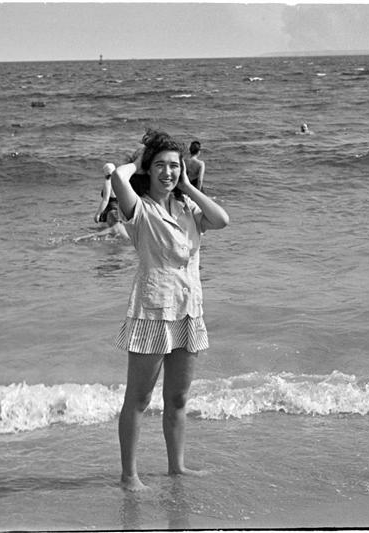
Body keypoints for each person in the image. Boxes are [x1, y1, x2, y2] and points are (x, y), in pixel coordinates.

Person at [111, 130, 229, 491]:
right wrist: (138, 161)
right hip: (152, 312)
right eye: (160, 165)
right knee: (140, 398)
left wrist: (189, 186)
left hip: (188, 310)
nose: (168, 172)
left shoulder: (187, 207)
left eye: (174, 166)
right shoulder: (139, 208)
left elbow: (222, 220)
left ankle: (177, 467)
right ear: (148, 169)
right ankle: (129, 476)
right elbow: (118, 178)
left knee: (178, 398)